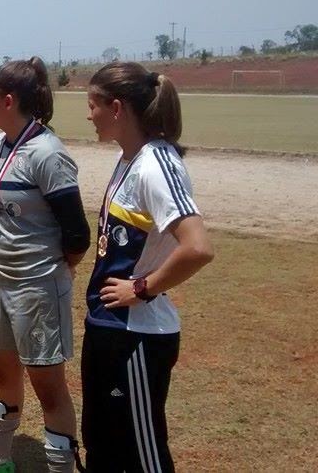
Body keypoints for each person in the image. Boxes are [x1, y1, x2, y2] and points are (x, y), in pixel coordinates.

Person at [0, 57, 91, 473]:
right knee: (2, 371)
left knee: (49, 388)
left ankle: (62, 469)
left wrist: (57, 272)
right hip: (0, 280)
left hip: (37, 286)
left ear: (9, 100)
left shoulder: (48, 154)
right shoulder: (0, 145)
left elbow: (78, 234)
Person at [82, 62, 214, 472]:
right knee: (101, 442)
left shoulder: (157, 164)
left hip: (136, 336)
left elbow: (198, 247)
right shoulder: (130, 159)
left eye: (93, 105)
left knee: (143, 453)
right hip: (107, 327)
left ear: (117, 108)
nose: (89, 115)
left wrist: (141, 288)